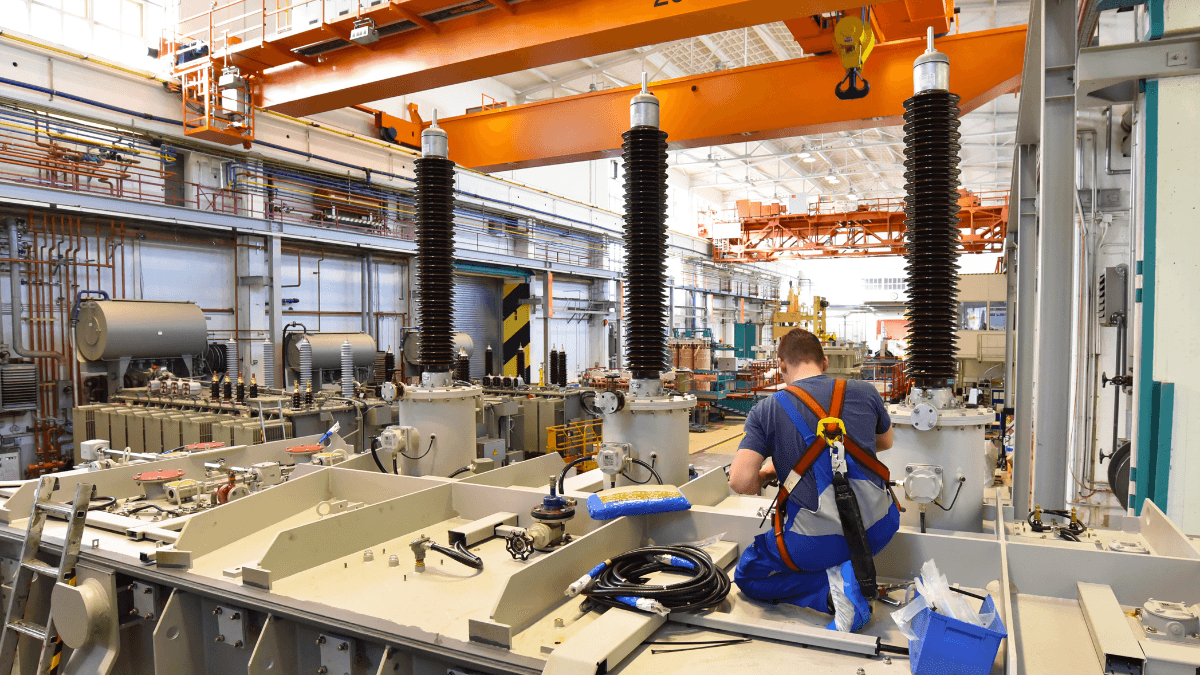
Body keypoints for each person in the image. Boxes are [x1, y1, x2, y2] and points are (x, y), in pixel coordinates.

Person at [728, 327, 899, 632]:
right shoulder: (865, 391)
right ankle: (852, 574)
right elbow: (885, 442)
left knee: (749, 576)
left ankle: (832, 594)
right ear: (823, 362)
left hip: (811, 544)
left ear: (781, 365)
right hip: (878, 529)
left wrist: (769, 472)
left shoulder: (766, 409)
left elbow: (740, 483)